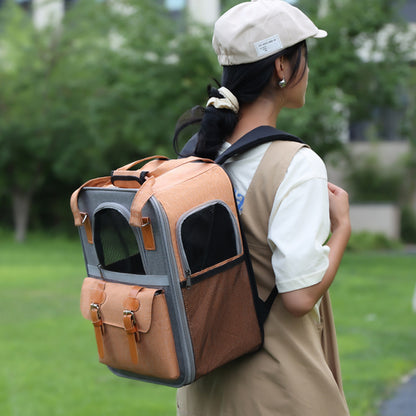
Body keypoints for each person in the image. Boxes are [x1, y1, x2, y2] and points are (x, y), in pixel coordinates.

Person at [174, 1, 351, 415]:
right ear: (281, 68)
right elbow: (299, 296)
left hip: (205, 392)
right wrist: (341, 227)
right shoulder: (296, 163)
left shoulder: (198, 155)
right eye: (303, 54)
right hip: (278, 390)